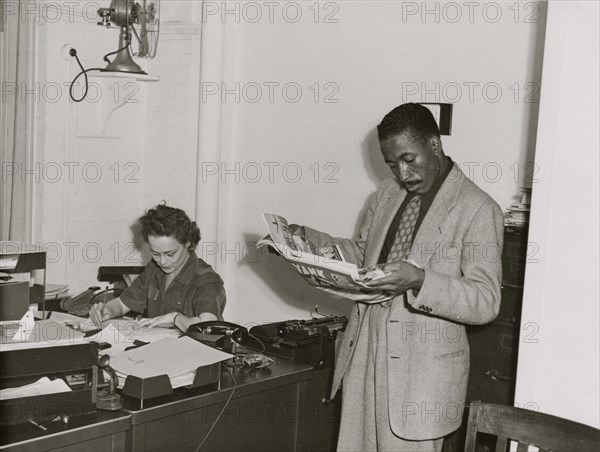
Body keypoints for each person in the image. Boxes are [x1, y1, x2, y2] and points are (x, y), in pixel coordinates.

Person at [291, 103, 503, 451]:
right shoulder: (387, 195)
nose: (403, 174)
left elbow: (486, 301)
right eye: (392, 164)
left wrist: (420, 280)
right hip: (364, 355)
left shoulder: (478, 209)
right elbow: (363, 255)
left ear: (434, 145)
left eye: (409, 159)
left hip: (421, 378)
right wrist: (305, 240)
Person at [89, 204, 226, 332]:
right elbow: (121, 304)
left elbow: (208, 327)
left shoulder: (206, 280)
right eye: (155, 253)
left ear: (187, 243)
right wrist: (106, 310)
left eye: (170, 254)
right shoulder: (154, 270)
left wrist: (174, 318)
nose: (162, 261)